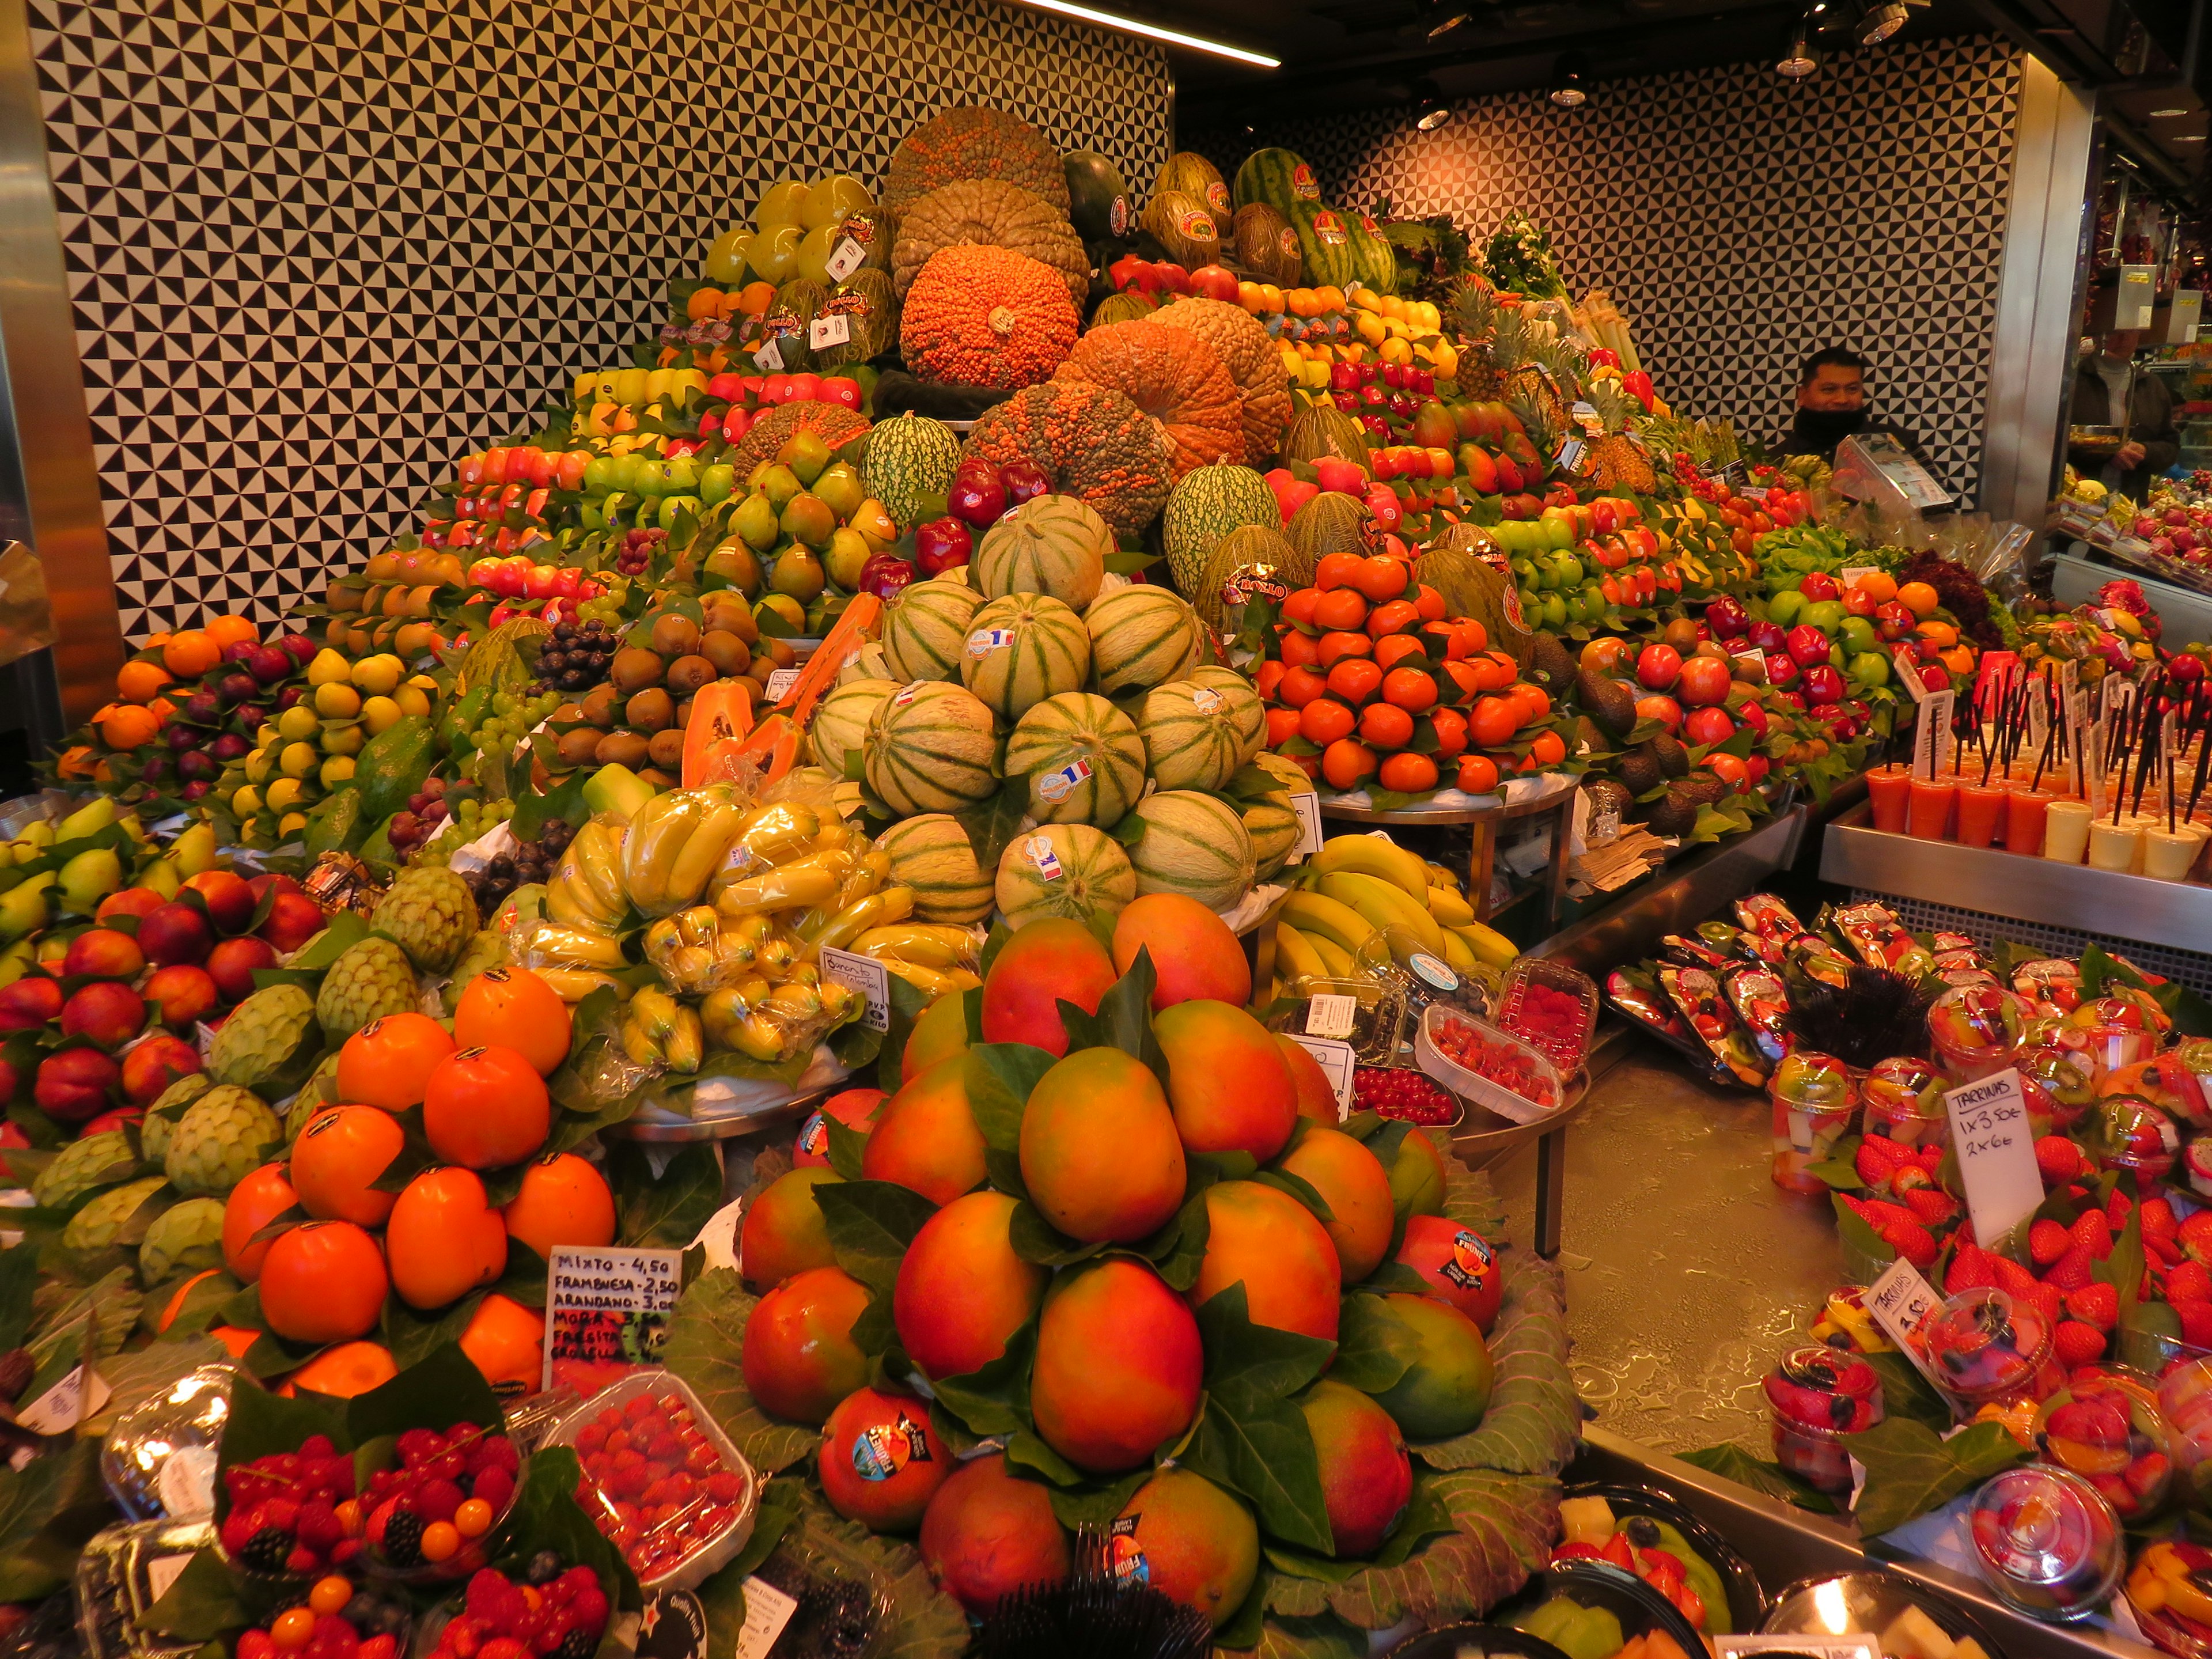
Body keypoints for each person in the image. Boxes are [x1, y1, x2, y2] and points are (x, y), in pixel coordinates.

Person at [2066, 329, 2177, 497]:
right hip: (2075, 498)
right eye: (2115, 331)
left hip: (2130, 502)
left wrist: (2145, 451)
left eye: (2131, 332)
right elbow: (2050, 440)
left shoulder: (2151, 385)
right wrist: (2107, 453)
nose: (2123, 339)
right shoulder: (2071, 380)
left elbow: (2171, 446)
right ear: (2097, 335)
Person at [1777, 348, 1923, 463]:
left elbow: (1939, 500)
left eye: (1852, 389)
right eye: (1829, 389)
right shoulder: (1773, 462)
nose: (1842, 399)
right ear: (1802, 395)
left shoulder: (1900, 444)